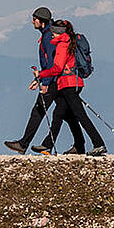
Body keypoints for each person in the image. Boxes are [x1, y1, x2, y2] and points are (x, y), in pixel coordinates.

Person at [32, 19, 105, 156]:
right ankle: (48, 145)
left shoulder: (62, 45)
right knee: (59, 114)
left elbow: (57, 68)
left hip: (68, 85)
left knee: (81, 115)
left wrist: (41, 74)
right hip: (74, 82)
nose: (51, 34)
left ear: (58, 32)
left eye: (53, 31)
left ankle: (98, 143)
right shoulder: (69, 41)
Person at [3, 7, 59, 154]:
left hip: (53, 81)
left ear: (41, 21)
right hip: (56, 79)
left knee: (38, 111)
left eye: (34, 19)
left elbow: (51, 63)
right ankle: (80, 144)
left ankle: (23, 144)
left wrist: (45, 82)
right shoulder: (49, 34)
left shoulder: (48, 37)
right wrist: (39, 78)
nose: (32, 21)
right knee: (67, 114)